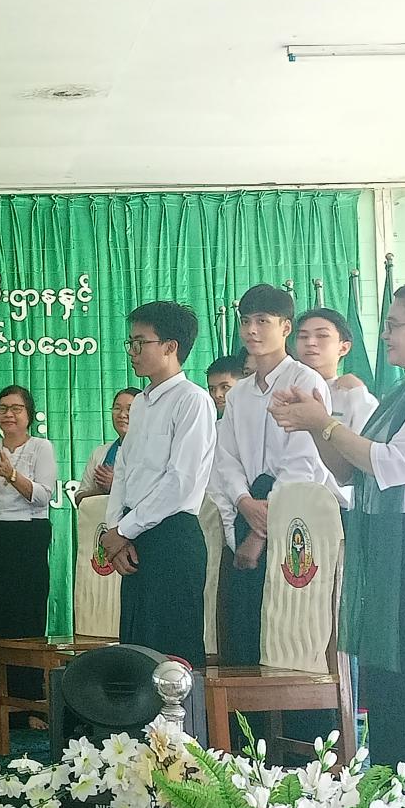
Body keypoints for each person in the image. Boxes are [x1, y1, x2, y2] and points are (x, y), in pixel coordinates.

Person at [272, 280, 405, 798]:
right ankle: (396, 806)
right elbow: (349, 471)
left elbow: (393, 465)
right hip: (399, 547)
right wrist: (313, 427)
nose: (387, 335)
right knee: (396, 684)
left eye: (395, 326)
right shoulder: (403, 394)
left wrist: (325, 424)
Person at [209, 285, 334, 666]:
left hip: (293, 524)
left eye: (263, 321)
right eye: (246, 321)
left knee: (288, 633)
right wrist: (244, 502)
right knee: (245, 630)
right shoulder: (239, 394)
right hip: (247, 510)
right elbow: (226, 458)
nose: (252, 330)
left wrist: (260, 533)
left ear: (285, 327)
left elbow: (303, 462)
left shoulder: (305, 381)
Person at [98, 302, 216, 667]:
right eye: (130, 343)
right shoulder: (141, 404)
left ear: (170, 346)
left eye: (140, 342)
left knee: (172, 657)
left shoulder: (192, 400)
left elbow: (181, 481)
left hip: (173, 538)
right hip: (135, 537)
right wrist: (115, 531)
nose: (132, 352)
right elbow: (124, 472)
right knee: (137, 652)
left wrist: (124, 530)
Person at [0, 385, 59, 731]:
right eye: (3, 408)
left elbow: (43, 496)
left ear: (29, 415)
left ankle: (31, 706)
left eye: (16, 408)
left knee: (26, 619)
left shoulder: (41, 448)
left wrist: (12, 475)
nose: (9, 414)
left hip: (28, 535)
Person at [294, 307, 380, 435]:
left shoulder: (355, 395)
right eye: (303, 336)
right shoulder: (285, 390)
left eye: (322, 335)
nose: (310, 342)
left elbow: (366, 441)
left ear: (343, 348)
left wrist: (358, 394)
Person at [74, 387, 140, 504]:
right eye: (117, 408)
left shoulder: (152, 452)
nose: (122, 414)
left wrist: (116, 485)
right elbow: (79, 498)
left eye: (129, 409)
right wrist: (101, 490)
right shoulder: (100, 453)